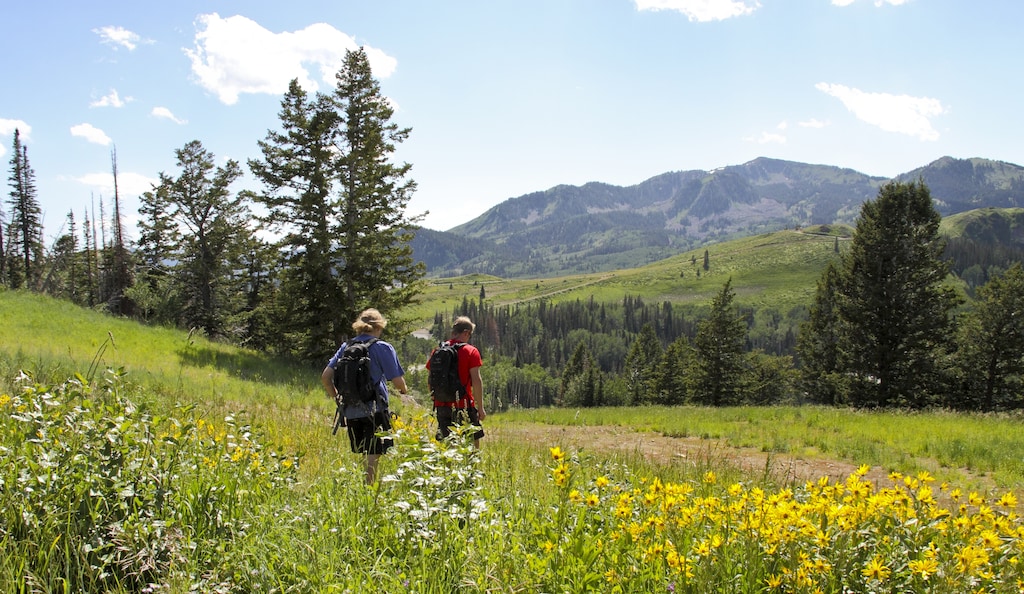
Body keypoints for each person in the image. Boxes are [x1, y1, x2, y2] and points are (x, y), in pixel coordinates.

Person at [321, 308, 408, 484]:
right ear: (379, 327)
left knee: (363, 451)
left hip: (351, 410)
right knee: (374, 454)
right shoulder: (382, 347)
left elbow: (325, 377)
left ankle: (363, 489)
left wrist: (336, 397)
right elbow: (397, 381)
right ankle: (368, 491)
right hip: (375, 409)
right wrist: (404, 390)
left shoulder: (346, 347)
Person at [427, 316, 486, 448]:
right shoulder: (471, 351)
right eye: (469, 334)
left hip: (442, 405)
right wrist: (480, 407)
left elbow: (430, 378)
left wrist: (435, 397)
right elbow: (476, 381)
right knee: (472, 442)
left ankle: (447, 468)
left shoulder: (437, 351)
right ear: (466, 332)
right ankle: (471, 468)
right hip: (464, 404)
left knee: (447, 445)